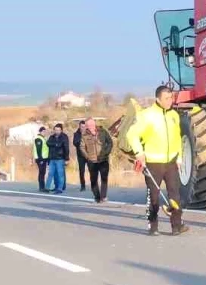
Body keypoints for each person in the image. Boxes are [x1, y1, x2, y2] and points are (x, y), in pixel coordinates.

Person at [126, 85, 189, 236]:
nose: (170, 101)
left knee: (175, 195)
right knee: (153, 195)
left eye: (171, 98)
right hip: (153, 163)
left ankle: (176, 226)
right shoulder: (146, 115)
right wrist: (139, 153)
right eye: (166, 98)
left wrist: (179, 157)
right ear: (158, 99)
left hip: (171, 162)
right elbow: (131, 135)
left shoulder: (174, 115)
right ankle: (153, 226)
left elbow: (177, 138)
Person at [79, 118, 113, 203]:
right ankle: (97, 196)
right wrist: (87, 157)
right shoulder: (84, 135)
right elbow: (82, 147)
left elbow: (110, 142)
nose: (90, 126)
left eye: (91, 124)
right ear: (86, 126)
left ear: (94, 123)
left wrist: (106, 152)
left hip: (103, 159)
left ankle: (103, 196)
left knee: (104, 179)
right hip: (92, 161)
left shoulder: (103, 131)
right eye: (88, 125)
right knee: (93, 180)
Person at [46, 123, 70, 194]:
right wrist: (56, 144)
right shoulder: (52, 137)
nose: (57, 131)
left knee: (60, 174)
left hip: (60, 158)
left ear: (61, 130)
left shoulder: (64, 137)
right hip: (52, 158)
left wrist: (66, 159)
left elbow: (66, 148)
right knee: (52, 173)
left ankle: (60, 188)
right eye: (55, 130)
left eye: (58, 130)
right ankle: (52, 187)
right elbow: (48, 143)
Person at [33, 126, 50, 192]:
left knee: (43, 172)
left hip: (44, 158)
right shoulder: (38, 139)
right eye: (44, 131)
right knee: (41, 172)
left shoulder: (43, 138)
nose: (45, 133)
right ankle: (41, 187)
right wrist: (40, 159)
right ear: (41, 131)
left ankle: (42, 187)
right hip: (41, 158)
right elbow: (38, 149)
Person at [73, 120, 88, 192]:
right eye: (82, 126)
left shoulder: (88, 133)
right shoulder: (76, 134)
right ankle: (83, 186)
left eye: (84, 126)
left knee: (92, 170)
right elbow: (75, 143)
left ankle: (94, 185)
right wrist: (81, 139)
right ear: (79, 126)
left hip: (88, 155)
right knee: (82, 171)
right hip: (80, 156)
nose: (83, 128)